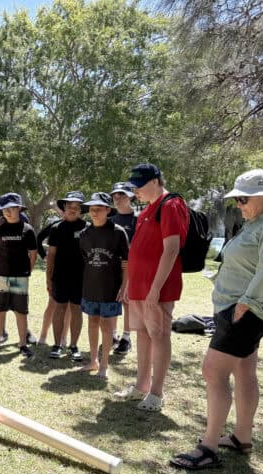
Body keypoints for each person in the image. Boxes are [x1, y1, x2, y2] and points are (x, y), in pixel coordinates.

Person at [171, 169, 263, 469]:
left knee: (213, 371)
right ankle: (241, 437)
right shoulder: (255, 223)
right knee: (244, 370)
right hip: (238, 308)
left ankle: (209, 447)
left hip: (242, 311)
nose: (239, 204)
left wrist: (247, 303)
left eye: (243, 198)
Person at [114, 163, 188, 411]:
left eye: (139, 186)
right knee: (143, 336)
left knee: (159, 336)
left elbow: (172, 248)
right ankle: (141, 387)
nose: (136, 192)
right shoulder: (147, 209)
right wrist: (130, 284)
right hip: (139, 287)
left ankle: (156, 393)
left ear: (155, 181)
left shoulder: (171, 205)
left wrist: (156, 287)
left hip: (157, 288)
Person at [78, 193, 129, 379]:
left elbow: (126, 262)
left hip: (111, 289)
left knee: (107, 326)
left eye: (99, 208)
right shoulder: (85, 234)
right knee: (92, 322)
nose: (94, 212)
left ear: (108, 210)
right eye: (92, 209)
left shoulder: (118, 232)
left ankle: (105, 365)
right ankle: (93, 361)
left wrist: (124, 286)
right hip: (90, 287)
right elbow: (85, 260)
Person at [0, 193, 37, 358]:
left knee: (21, 311)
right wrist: (3, 269)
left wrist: (25, 271)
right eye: (4, 209)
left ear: (18, 209)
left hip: (20, 277)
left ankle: (23, 344)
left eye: (11, 208)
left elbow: (33, 254)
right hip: (1, 276)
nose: (7, 212)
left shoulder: (27, 229)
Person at [47, 191, 87, 361]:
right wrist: (48, 278)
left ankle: (73, 345)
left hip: (81, 278)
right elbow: (51, 255)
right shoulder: (56, 228)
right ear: (64, 208)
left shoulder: (87, 228)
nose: (72, 209)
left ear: (81, 210)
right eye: (69, 206)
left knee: (77, 310)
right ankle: (57, 345)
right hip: (60, 277)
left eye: (77, 207)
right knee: (60, 308)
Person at [109, 182, 138, 355]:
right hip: (111, 268)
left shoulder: (139, 219)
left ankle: (126, 338)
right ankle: (113, 335)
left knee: (127, 302)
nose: (118, 199)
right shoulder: (110, 219)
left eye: (122, 195)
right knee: (112, 301)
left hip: (132, 269)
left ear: (131, 197)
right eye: (115, 196)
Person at [36, 207, 70, 346]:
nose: (64, 213)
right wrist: (44, 256)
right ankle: (43, 336)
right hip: (56, 271)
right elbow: (39, 238)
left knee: (69, 308)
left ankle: (63, 338)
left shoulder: (82, 227)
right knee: (52, 304)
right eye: (63, 210)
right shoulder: (54, 226)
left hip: (74, 272)